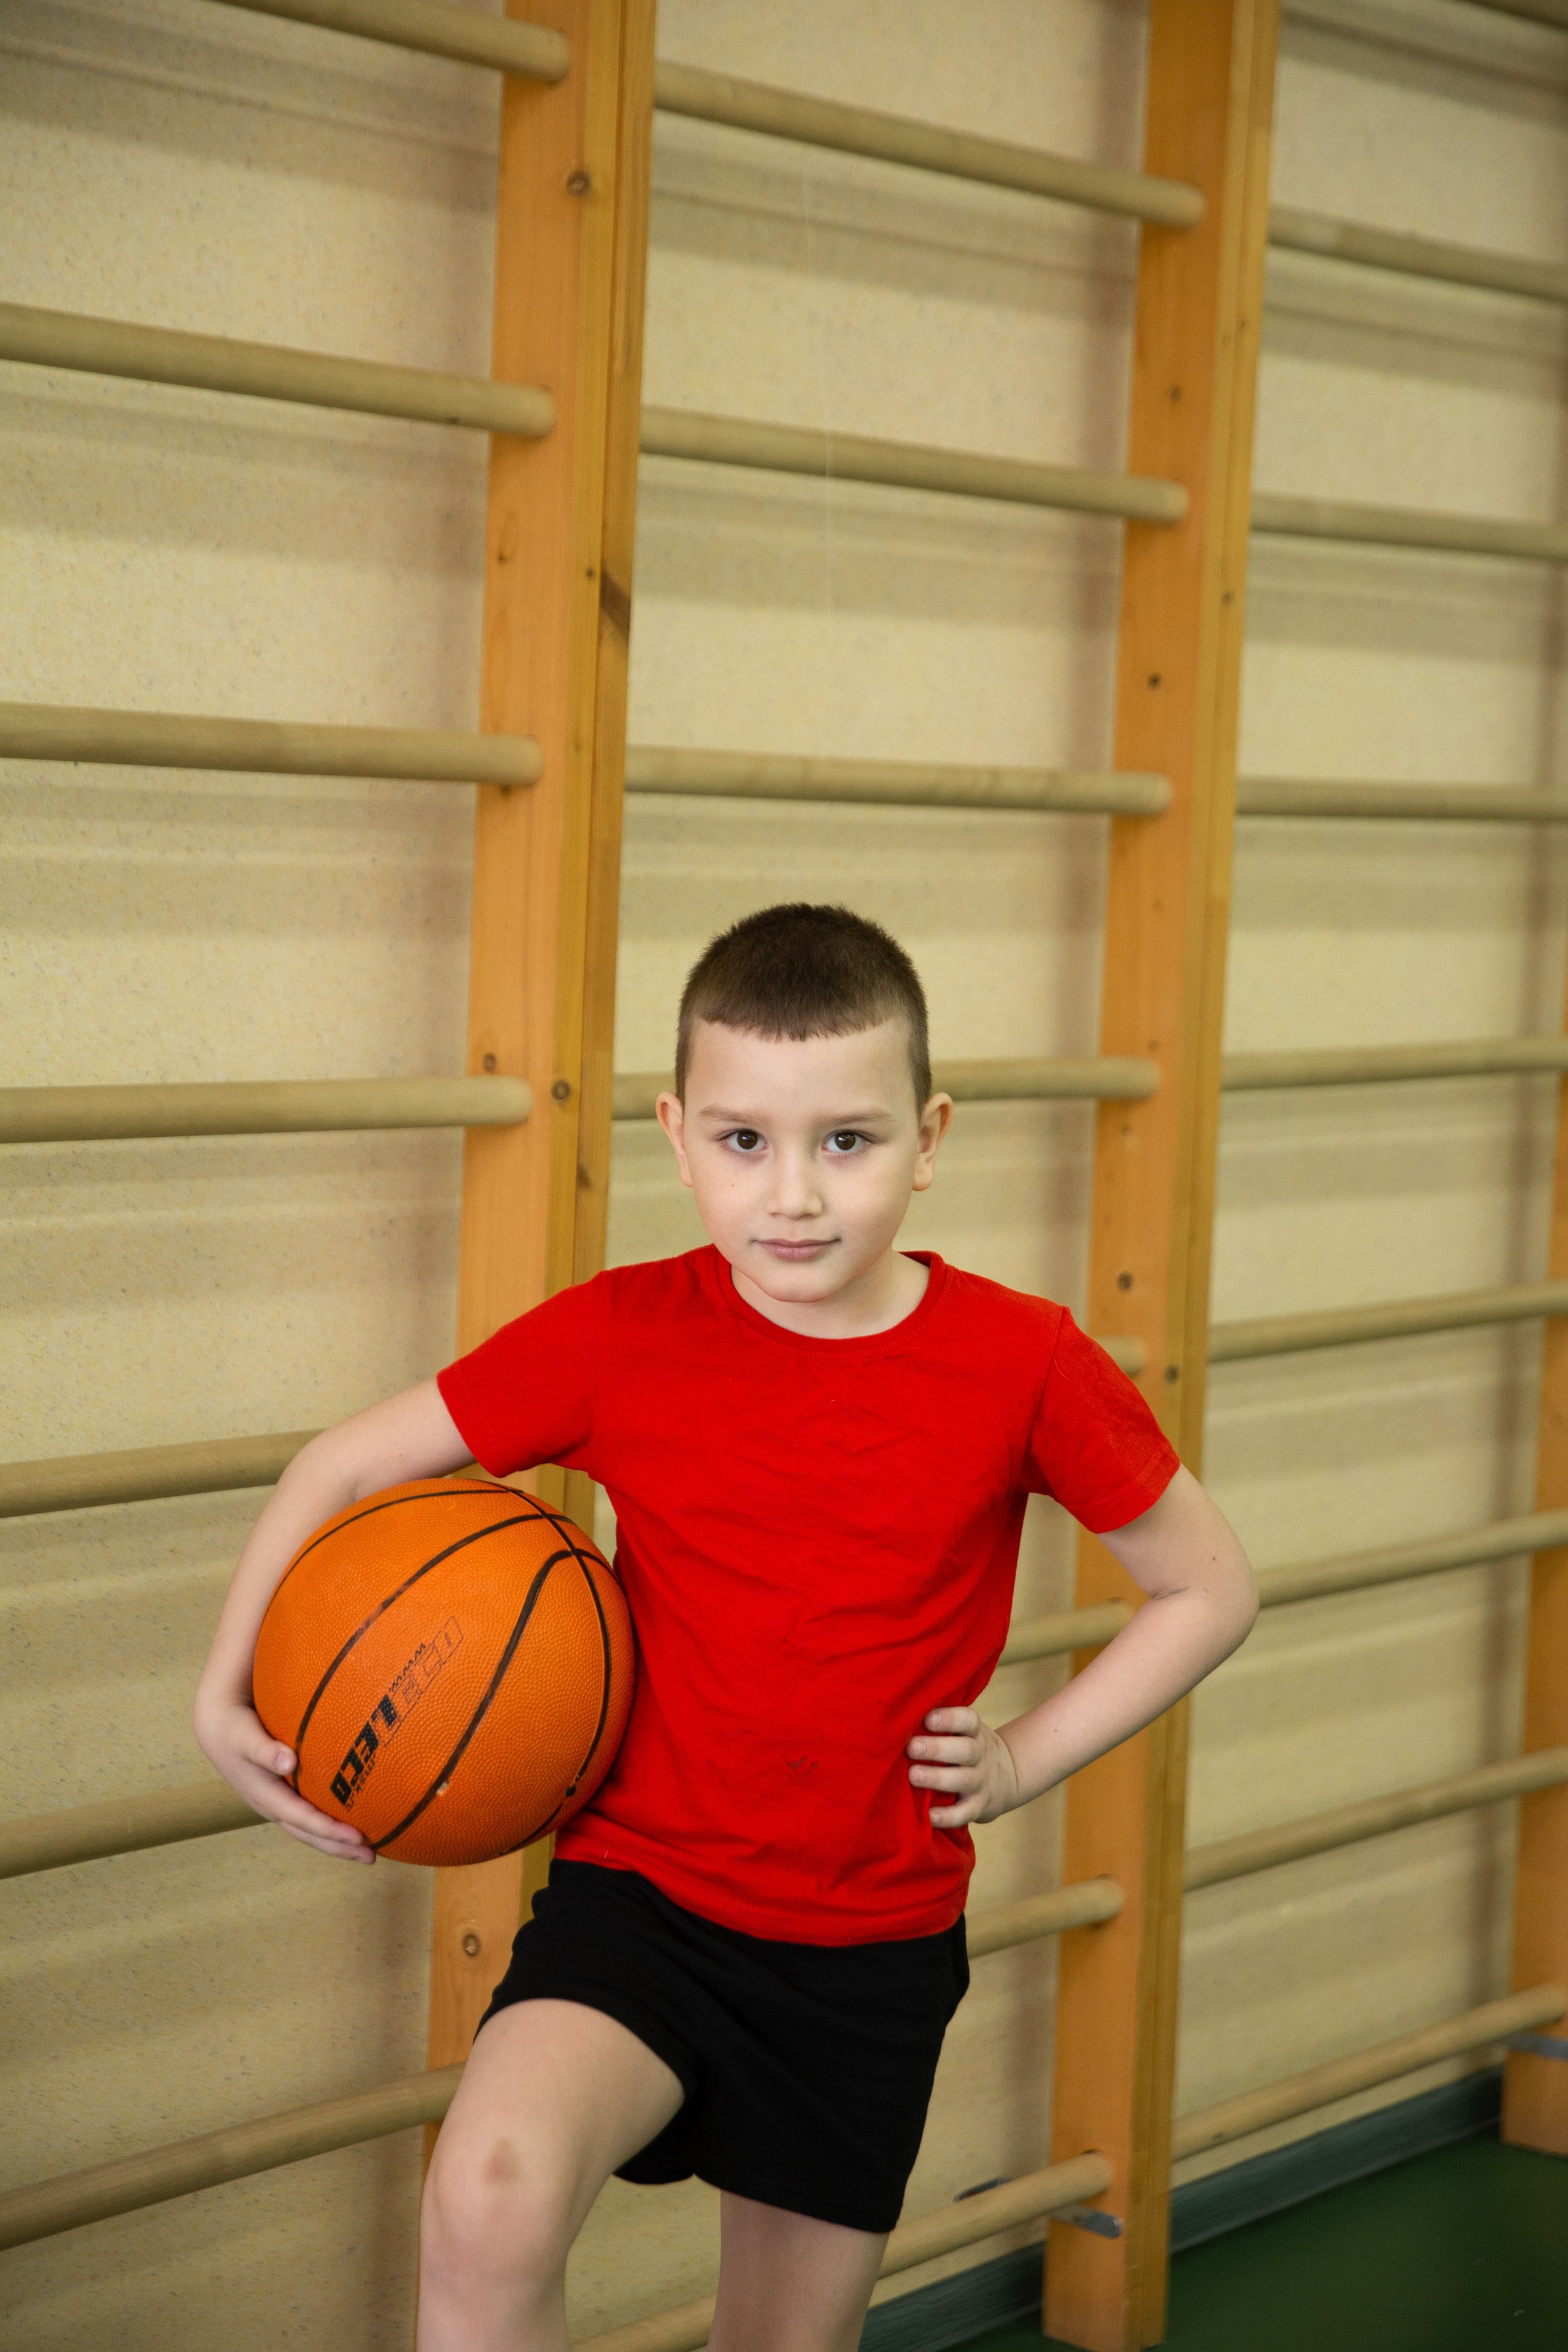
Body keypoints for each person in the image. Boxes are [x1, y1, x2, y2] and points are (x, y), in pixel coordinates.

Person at [195, 902, 1257, 2352]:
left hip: (868, 1942)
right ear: (675, 1132)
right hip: (639, 1899)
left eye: (848, 1140)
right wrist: (221, 1693)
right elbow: (343, 1466)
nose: (794, 1197)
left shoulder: (1024, 1363)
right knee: (486, 2196)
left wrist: (1019, 1760)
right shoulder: (619, 1335)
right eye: (745, 1140)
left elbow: (1209, 1586)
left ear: (929, 1137)